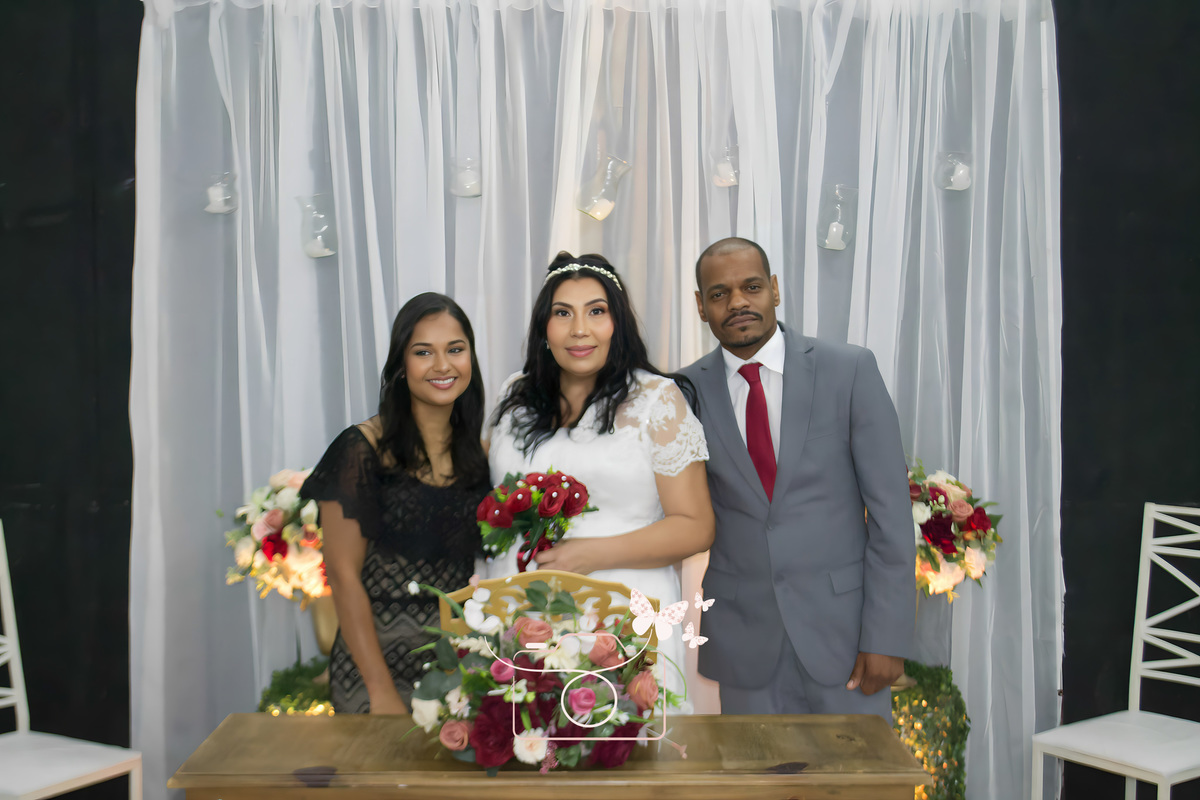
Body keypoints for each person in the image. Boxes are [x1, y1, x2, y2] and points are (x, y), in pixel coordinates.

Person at [678, 237, 915, 718]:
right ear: (701, 307)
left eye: (752, 286)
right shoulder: (682, 392)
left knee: (856, 789)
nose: (738, 302)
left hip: (845, 638)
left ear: (776, 290)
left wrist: (886, 635)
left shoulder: (849, 370)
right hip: (745, 644)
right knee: (757, 789)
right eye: (720, 294)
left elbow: (891, 514)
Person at [485, 251, 716, 704]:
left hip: (621, 616)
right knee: (526, 754)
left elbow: (696, 525)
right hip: (520, 616)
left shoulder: (657, 400)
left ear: (618, 324)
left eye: (596, 311)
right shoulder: (514, 394)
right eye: (563, 313)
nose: (579, 329)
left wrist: (591, 556)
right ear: (543, 327)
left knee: (622, 756)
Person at [300, 293, 490, 714]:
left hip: (459, 671)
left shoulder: (482, 457)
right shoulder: (361, 448)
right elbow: (344, 577)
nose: (443, 365)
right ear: (402, 367)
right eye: (424, 352)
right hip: (375, 670)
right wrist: (381, 691)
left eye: (455, 350)